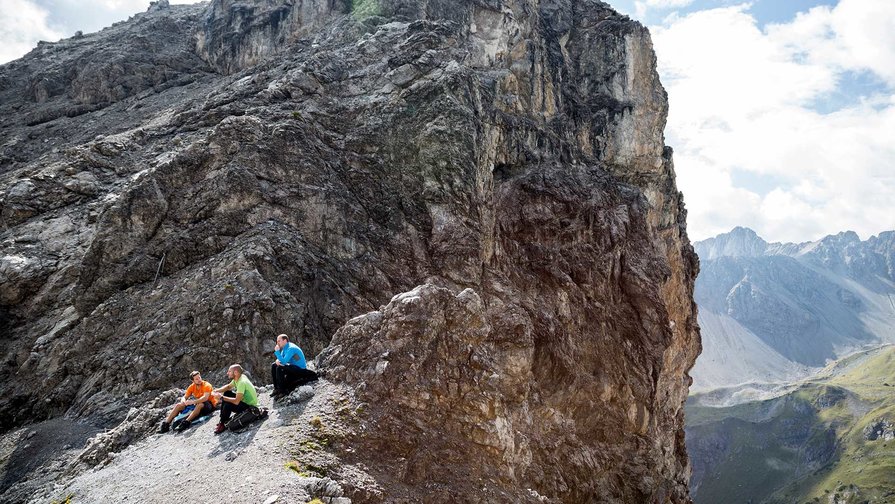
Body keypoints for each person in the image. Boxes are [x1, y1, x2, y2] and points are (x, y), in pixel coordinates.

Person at [211, 364, 258, 434]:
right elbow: (228, 387)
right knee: (227, 393)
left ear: (235, 372)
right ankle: (222, 421)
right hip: (244, 402)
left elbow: (236, 401)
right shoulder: (239, 377)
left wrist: (221, 397)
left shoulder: (242, 382)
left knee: (227, 403)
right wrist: (216, 391)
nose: (227, 373)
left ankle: (222, 424)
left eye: (229, 371)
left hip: (250, 408)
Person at [271, 333, 318, 399]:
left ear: (285, 340)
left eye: (279, 341)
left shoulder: (291, 348)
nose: (277, 343)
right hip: (293, 366)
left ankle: (282, 391)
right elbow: (281, 358)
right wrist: (277, 360)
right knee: (274, 365)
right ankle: (276, 388)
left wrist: (277, 352)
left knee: (279, 368)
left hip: (300, 369)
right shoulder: (285, 348)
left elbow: (283, 361)